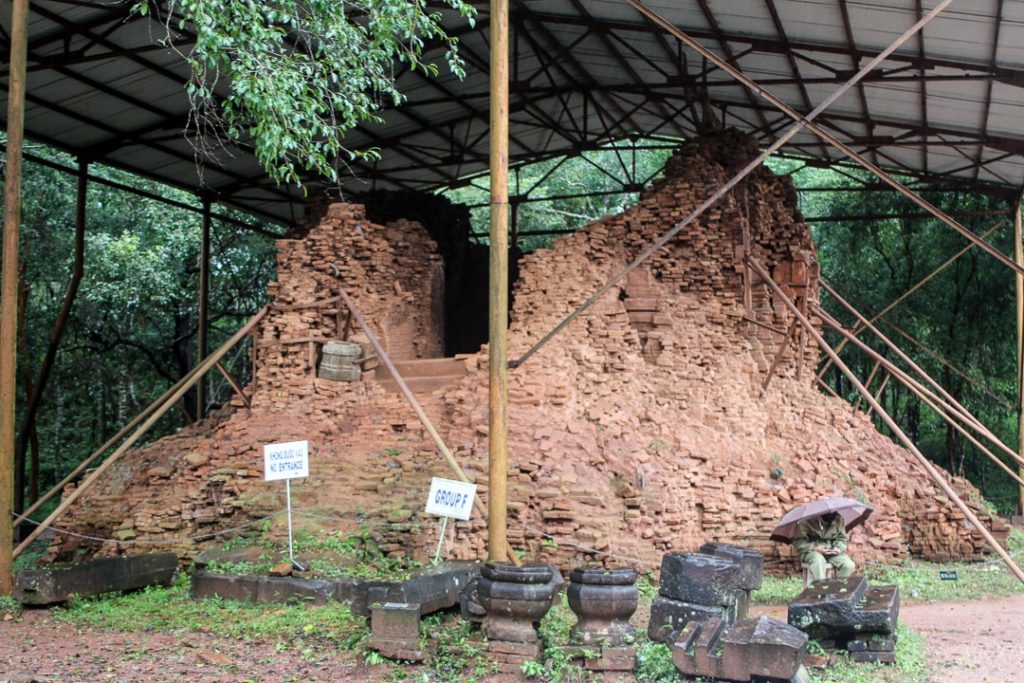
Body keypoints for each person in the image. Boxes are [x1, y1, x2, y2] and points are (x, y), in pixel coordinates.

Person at [791, 512, 855, 582]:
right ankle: (822, 589)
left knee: (849, 565)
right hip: (811, 551)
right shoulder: (805, 521)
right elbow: (798, 542)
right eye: (824, 522)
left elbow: (842, 538)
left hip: (831, 551)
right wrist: (814, 547)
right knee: (818, 562)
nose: (826, 524)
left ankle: (838, 589)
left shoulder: (838, 519)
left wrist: (839, 547)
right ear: (819, 516)